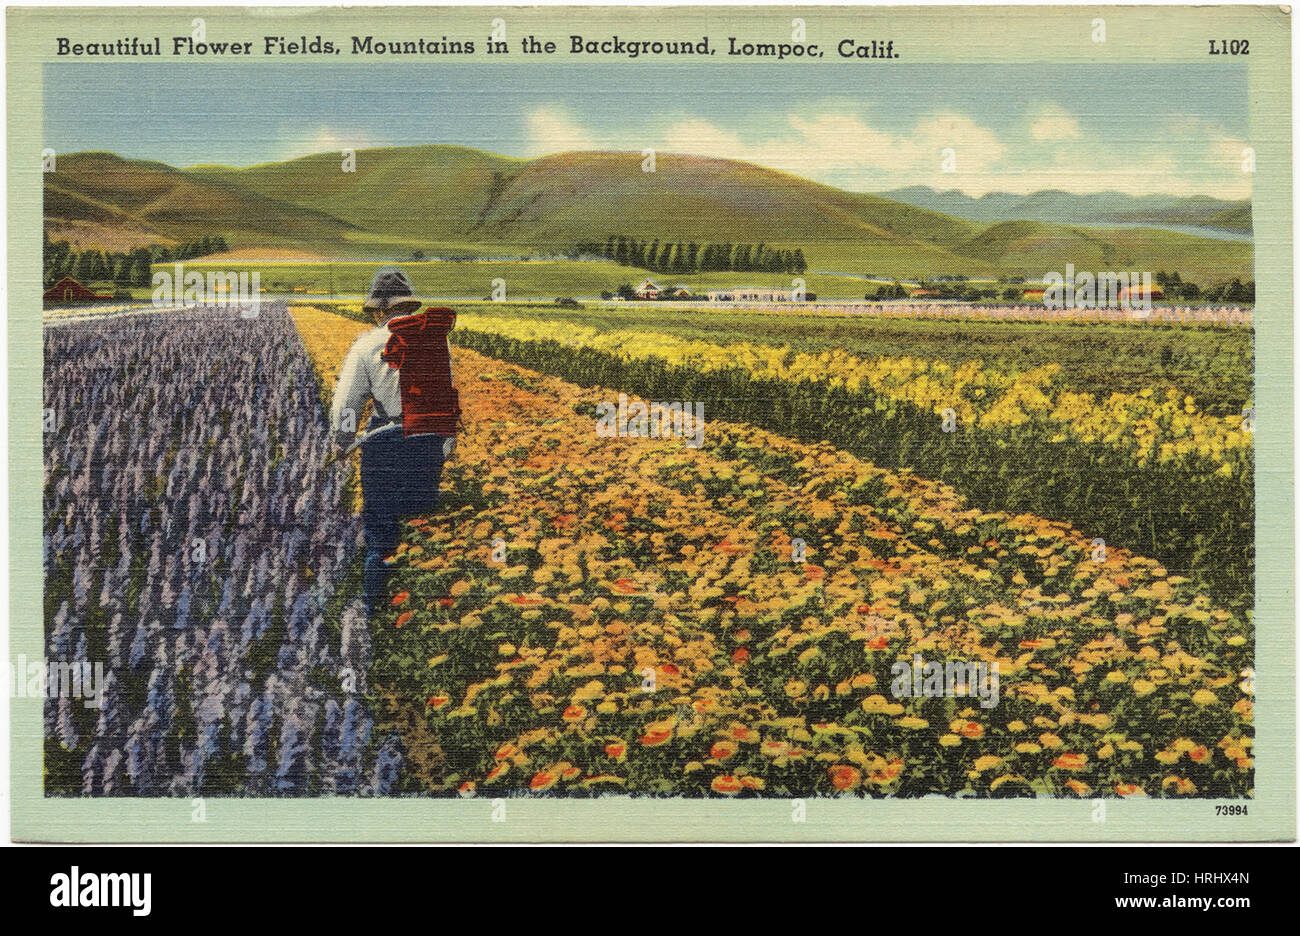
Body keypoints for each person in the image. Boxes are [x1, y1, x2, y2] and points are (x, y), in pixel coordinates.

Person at [331, 267, 457, 612]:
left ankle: (375, 610)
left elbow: (348, 402)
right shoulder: (436, 339)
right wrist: (446, 440)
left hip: (388, 442)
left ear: (381, 309)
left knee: (381, 528)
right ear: (409, 306)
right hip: (428, 439)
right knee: (420, 520)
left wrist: (342, 441)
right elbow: (446, 391)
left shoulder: (369, 344)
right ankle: (425, 606)